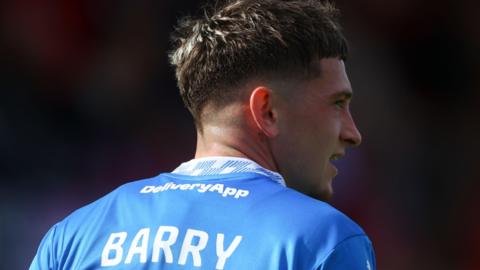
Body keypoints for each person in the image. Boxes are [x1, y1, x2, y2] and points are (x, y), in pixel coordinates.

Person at [30, 0, 376, 269]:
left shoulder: (74, 236)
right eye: (337, 104)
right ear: (267, 111)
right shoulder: (323, 240)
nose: (353, 132)